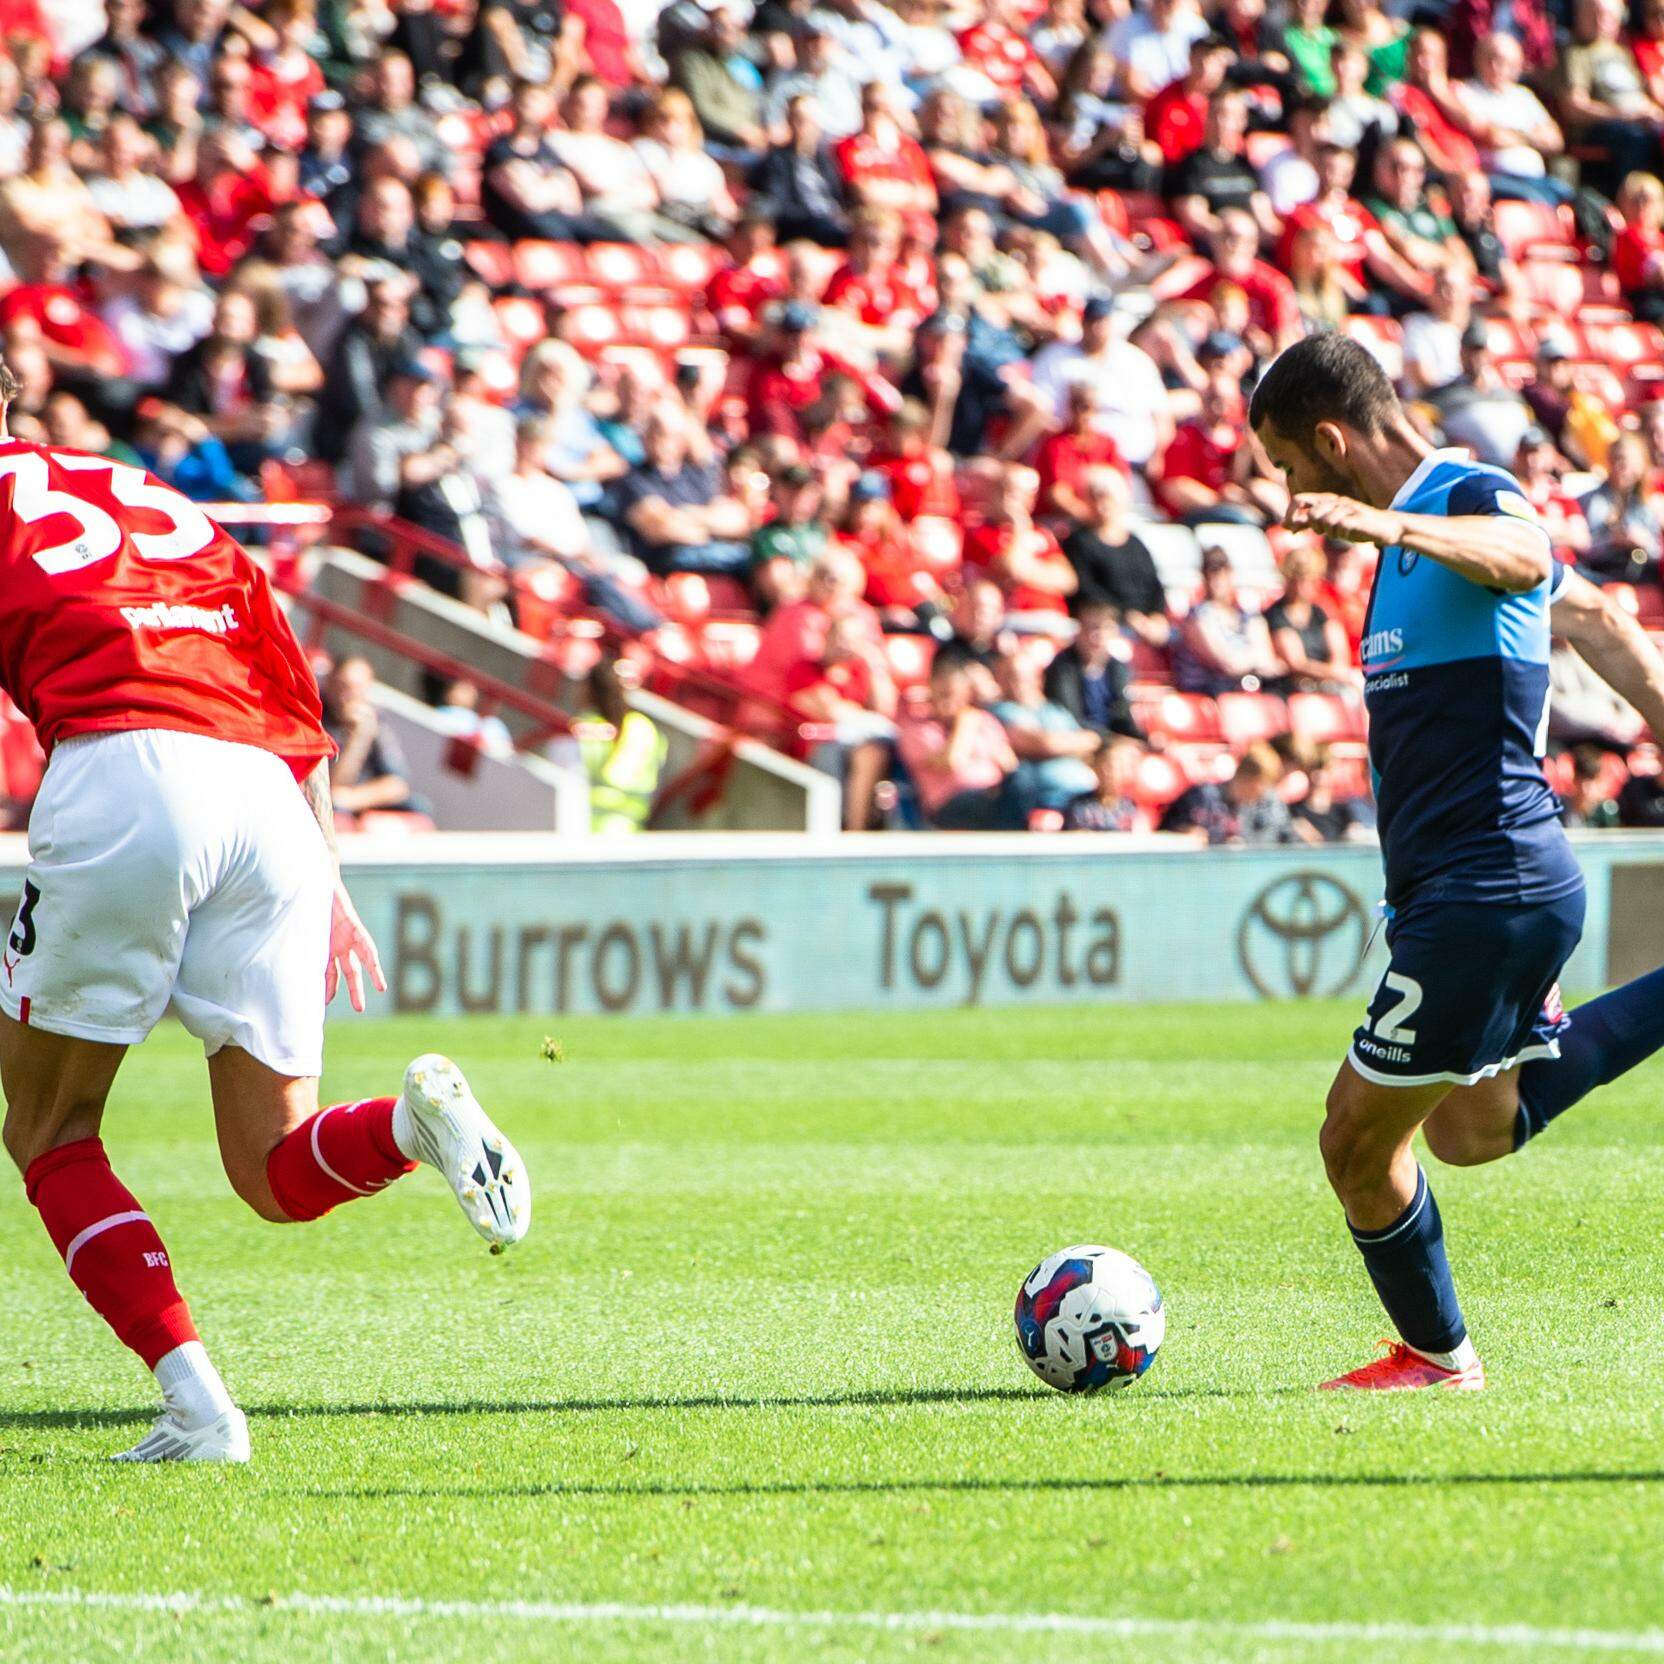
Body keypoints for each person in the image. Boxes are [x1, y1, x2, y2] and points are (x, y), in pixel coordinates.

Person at [0, 360, 529, 1465]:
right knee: (272, 1167)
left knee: (49, 1127)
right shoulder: (145, 496)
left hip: (123, 767)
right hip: (266, 791)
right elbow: (291, 687)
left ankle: (200, 1410)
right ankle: (408, 1122)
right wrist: (328, 873)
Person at [1248, 330, 1664, 1391]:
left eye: (1293, 468)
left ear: (1333, 442)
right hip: (1472, 888)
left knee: (1352, 1138)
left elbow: (1527, 557)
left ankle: (1436, 1359)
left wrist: (1388, 521)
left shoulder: (1466, 499)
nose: (1295, 492)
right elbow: (1595, 613)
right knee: (1475, 1127)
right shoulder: (1414, 544)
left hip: (1488, 885)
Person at [894, 650, 1022, 829]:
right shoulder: (918, 727)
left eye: (951, 694)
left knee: (1024, 784)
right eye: (941, 694)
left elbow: (1009, 764)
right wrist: (965, 721)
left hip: (995, 795)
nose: (946, 703)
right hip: (950, 804)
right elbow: (952, 760)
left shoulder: (985, 721)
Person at [576, 656, 668, 835]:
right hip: (630, 827)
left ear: (589, 689)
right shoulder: (644, 727)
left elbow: (572, 767)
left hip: (589, 828)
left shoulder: (586, 725)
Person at [1159, 742, 1298, 843]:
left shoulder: (1262, 807)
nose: (1258, 797)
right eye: (1257, 789)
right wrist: (1187, 838)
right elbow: (1166, 835)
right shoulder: (1201, 797)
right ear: (1245, 779)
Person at [1062, 734, 1145, 831]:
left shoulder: (1132, 807)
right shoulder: (1079, 805)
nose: (1109, 773)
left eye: (1118, 767)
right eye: (1105, 766)